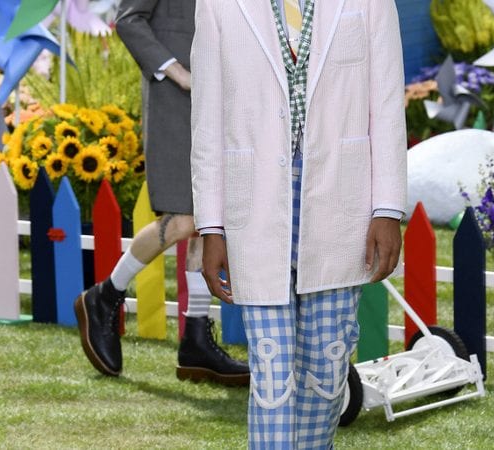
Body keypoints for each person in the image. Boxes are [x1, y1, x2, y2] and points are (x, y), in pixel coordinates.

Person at [190, 0, 407, 447]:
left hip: (340, 203)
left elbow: (386, 106)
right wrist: (211, 226)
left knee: (326, 370)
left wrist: (387, 208)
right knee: (271, 374)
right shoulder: (217, 4)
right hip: (253, 208)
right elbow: (207, 122)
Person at [74, 0, 249, 386]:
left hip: (222, 94)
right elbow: (128, 20)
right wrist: (177, 73)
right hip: (175, 96)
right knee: (183, 219)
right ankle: (105, 295)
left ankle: (196, 337)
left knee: (207, 216)